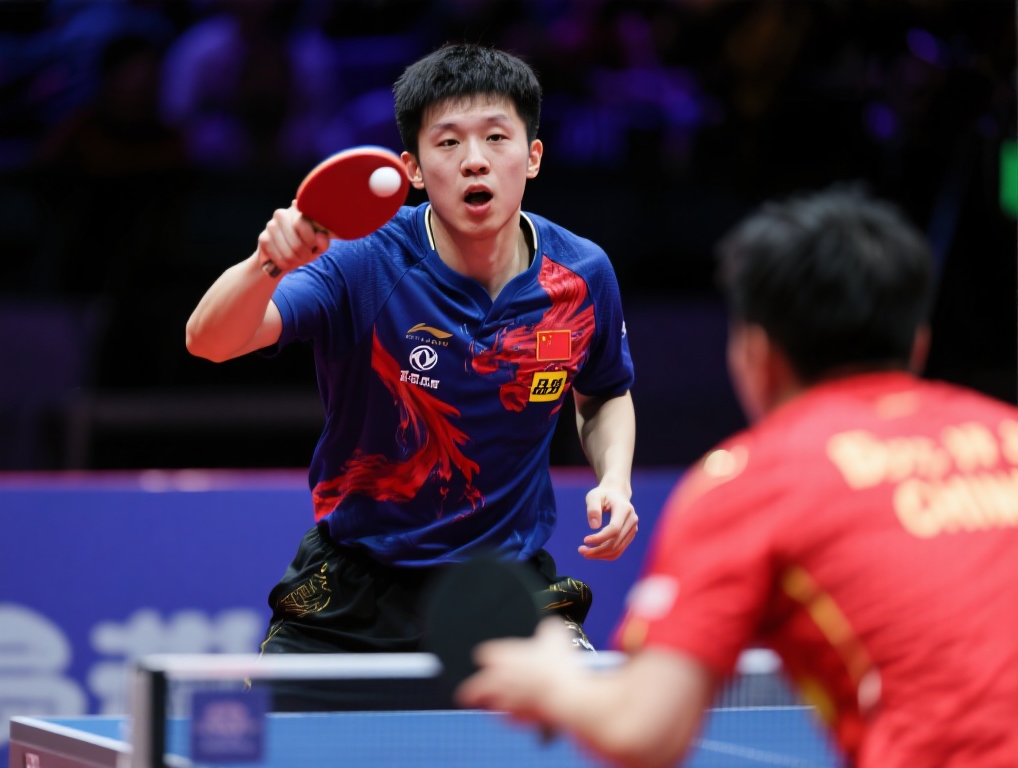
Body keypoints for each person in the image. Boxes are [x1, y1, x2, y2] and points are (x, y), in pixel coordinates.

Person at [457, 185, 1018, 768]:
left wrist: (555, 679)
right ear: (919, 345)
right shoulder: (1009, 432)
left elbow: (642, 729)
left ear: (756, 352)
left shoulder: (754, 484)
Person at [185, 43, 638, 660]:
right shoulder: (363, 259)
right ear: (413, 169)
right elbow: (208, 341)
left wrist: (615, 480)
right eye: (448, 142)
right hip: (355, 589)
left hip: (504, 587)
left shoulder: (583, 275)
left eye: (496, 138)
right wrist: (267, 263)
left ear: (532, 156)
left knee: (581, 719)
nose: (474, 160)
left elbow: (604, 390)